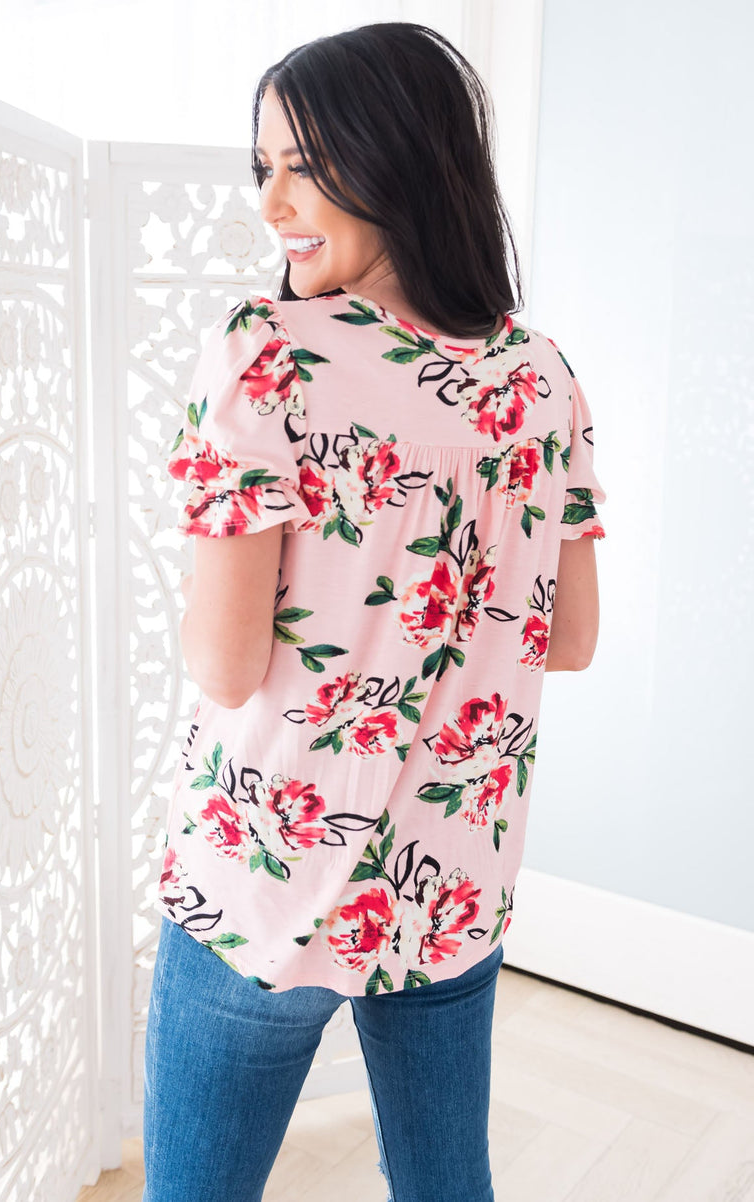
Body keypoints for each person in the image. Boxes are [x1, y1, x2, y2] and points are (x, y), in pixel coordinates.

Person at [143, 21, 606, 1202]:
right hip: (451, 879)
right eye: (263, 168)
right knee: (446, 1179)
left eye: (304, 164)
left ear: (394, 153)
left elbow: (226, 664)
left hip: (264, 878)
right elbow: (568, 638)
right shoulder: (540, 378)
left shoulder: (268, 356)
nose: (272, 204)